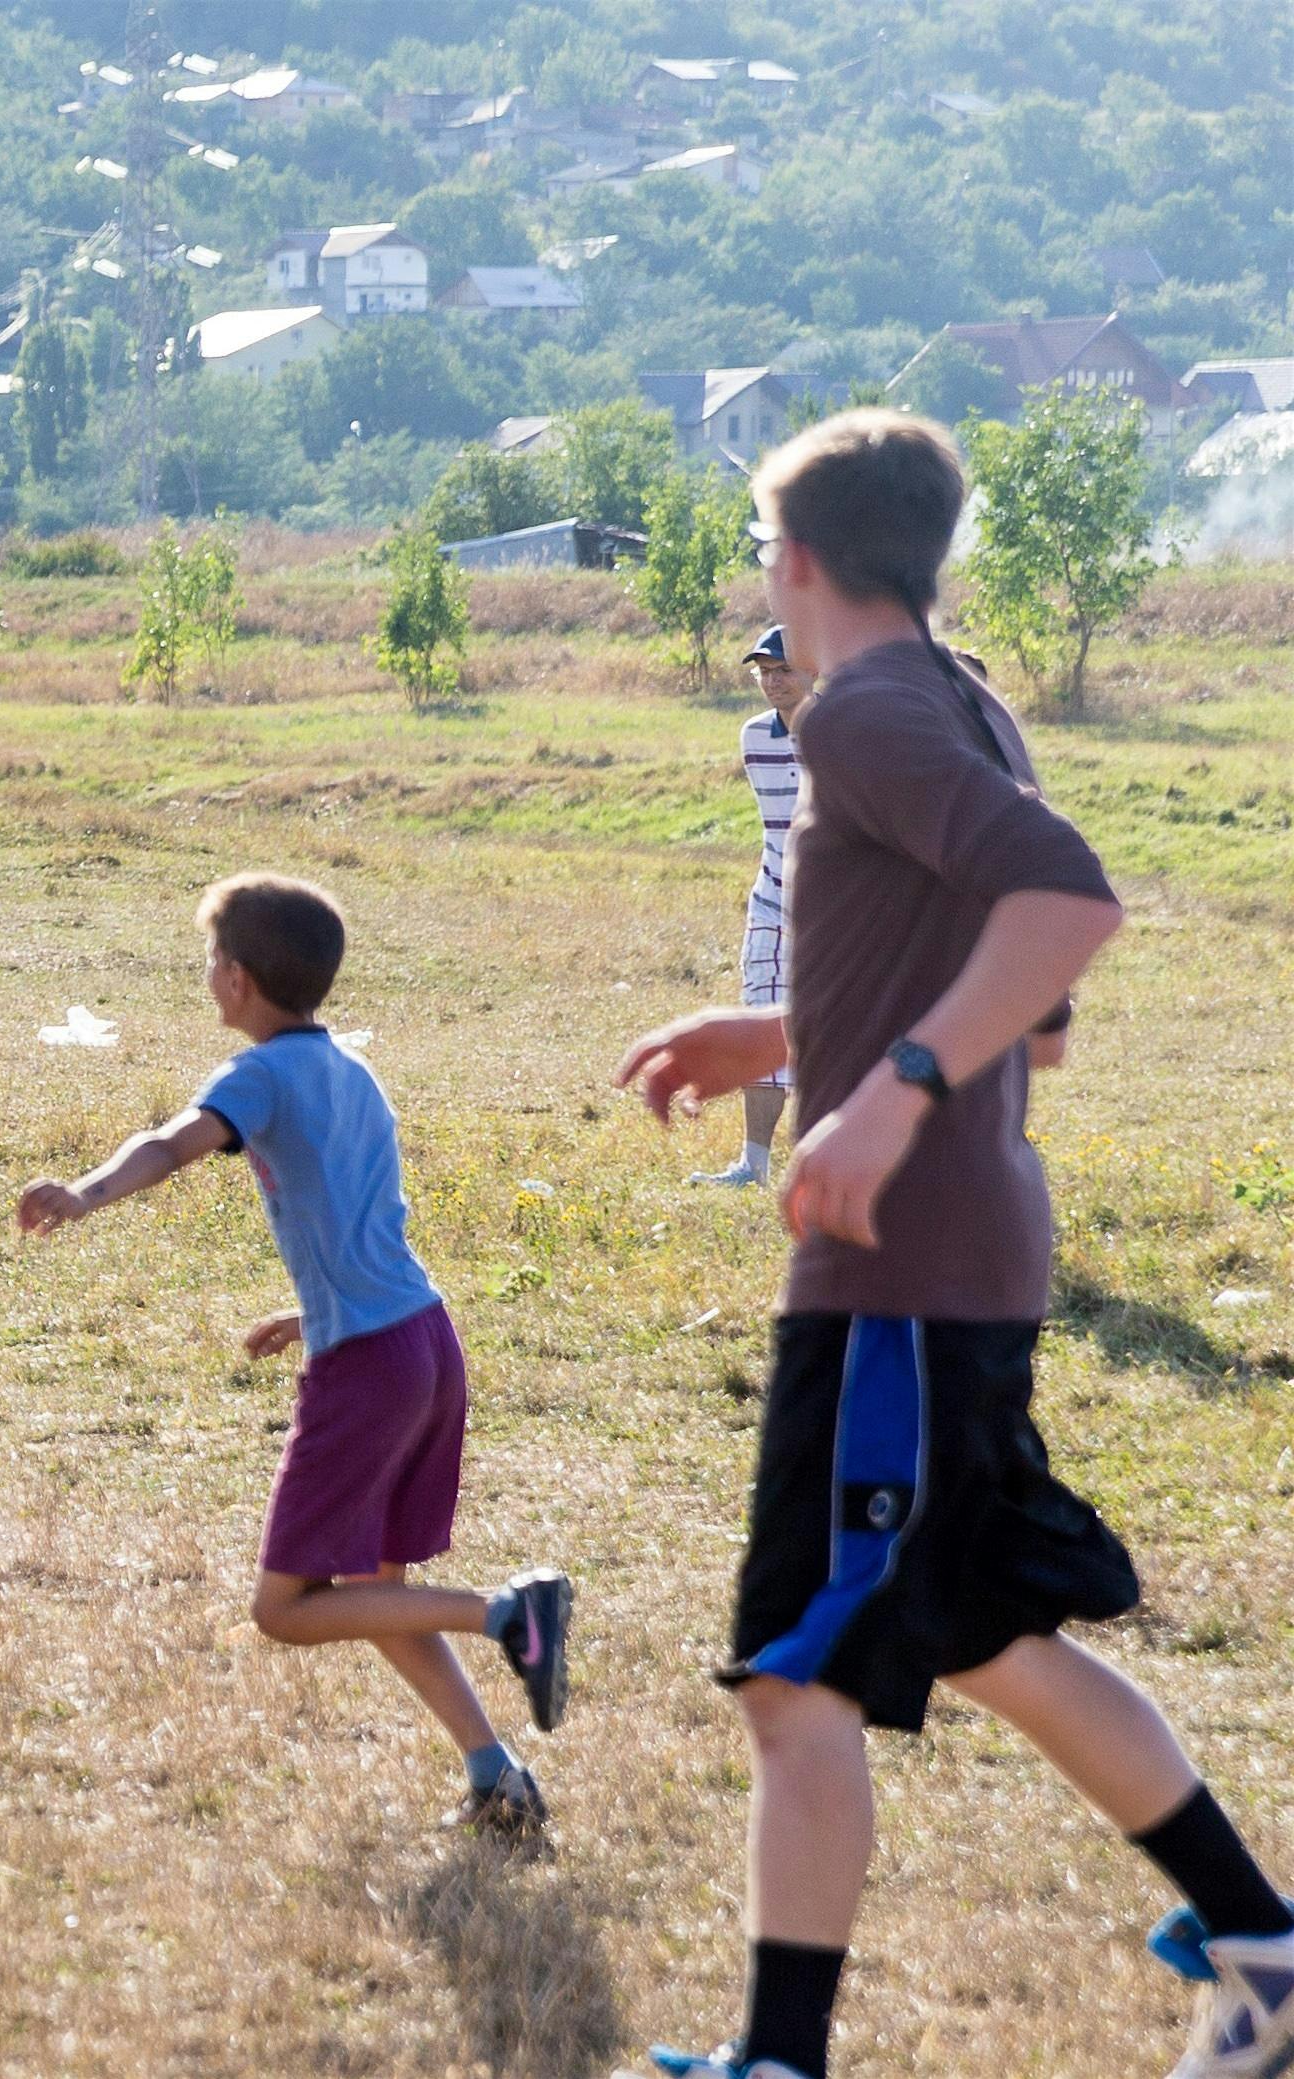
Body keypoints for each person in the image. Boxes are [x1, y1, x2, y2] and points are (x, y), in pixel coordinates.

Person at [614, 408, 1293, 2079]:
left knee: (800, 1673)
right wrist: (784, 1038)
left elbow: (1069, 905)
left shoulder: (860, 715)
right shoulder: (968, 701)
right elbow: (1032, 1017)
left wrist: (888, 1094)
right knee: (988, 1636)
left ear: (792, 558)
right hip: (958, 1250)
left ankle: (780, 2059)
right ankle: (1266, 1942)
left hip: (898, 1270)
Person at [17, 872, 574, 1836]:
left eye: (208, 962)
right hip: (423, 1340)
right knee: (373, 1595)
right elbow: (367, 1228)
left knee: (284, 1608)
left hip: (368, 1365)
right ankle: (496, 1775)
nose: (207, 976)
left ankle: (506, 1614)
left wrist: (84, 1192)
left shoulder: (260, 1075)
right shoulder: (354, 1073)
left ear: (234, 978)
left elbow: (170, 1142)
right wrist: (308, 1312)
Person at [694, 623, 807, 1189]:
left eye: (783, 669)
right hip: (770, 901)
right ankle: (753, 1167)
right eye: (764, 671)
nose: (772, 681)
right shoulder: (754, 738)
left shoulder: (849, 735)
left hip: (838, 913)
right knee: (760, 1021)